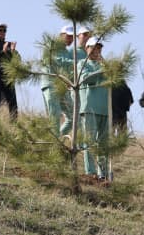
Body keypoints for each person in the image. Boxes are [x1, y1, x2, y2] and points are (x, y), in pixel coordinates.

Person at [79, 37, 112, 181]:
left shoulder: (106, 66)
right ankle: (90, 171)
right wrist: (101, 71)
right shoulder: (82, 63)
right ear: (87, 49)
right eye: (93, 47)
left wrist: (106, 68)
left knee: (103, 143)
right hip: (89, 107)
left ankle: (102, 172)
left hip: (105, 108)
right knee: (89, 141)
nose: (96, 51)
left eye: (99, 48)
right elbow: (85, 78)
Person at [41, 25, 74, 135]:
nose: (71, 39)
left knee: (73, 117)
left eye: (72, 37)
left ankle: (57, 140)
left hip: (63, 87)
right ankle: (54, 145)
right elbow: (52, 60)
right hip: (51, 85)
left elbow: (69, 70)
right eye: (68, 36)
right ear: (61, 35)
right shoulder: (51, 46)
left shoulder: (68, 52)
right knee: (54, 117)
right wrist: (72, 63)